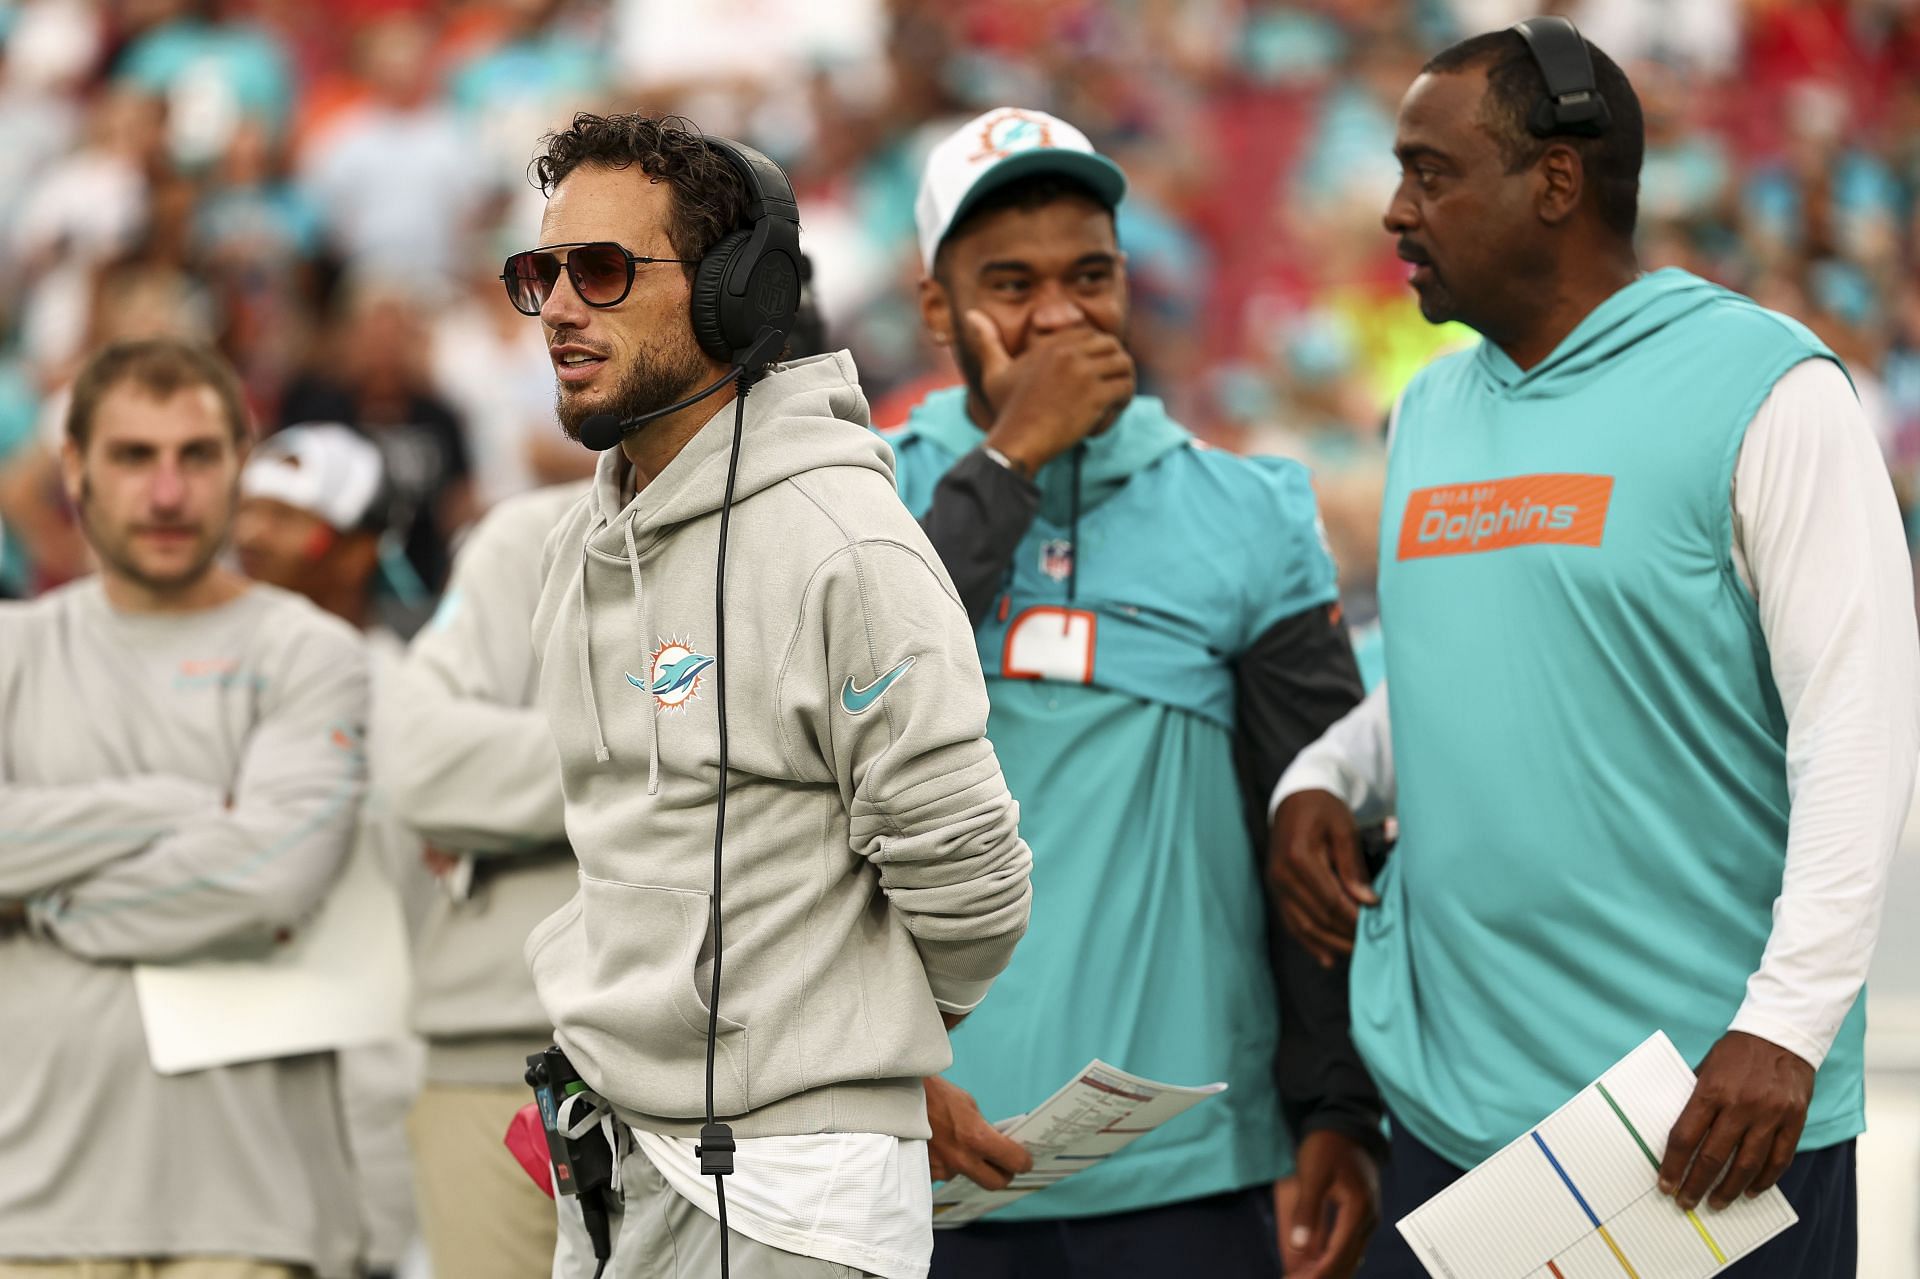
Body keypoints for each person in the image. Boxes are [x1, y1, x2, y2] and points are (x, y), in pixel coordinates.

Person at [1269, 22, 1920, 1279]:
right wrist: (1327, 777)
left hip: (1702, 1122)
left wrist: (1783, 1027)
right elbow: (1483, 665)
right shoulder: (1430, 408)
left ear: (1556, 182)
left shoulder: (1768, 388)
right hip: (1452, 1119)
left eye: (1432, 171)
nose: (1396, 211)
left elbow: (1862, 724)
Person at [515, 113, 1034, 1279]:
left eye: (599, 271)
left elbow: (976, 883)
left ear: (734, 296)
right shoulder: (577, 544)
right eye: (538, 272)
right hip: (616, 1173)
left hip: (796, 1202)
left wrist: (851, 1037)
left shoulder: (843, 543)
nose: (556, 307)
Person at [887, 107, 1384, 1279]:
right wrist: (1009, 460)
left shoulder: (1252, 509)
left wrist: (1336, 1110)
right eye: (1011, 283)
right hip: (919, 1153)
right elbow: (861, 700)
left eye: (1090, 276)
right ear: (934, 311)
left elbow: (1314, 831)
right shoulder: (867, 498)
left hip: (1184, 1164)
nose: (1059, 315)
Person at [0, 337, 369, 1278]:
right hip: (26, 1204)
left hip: (251, 1212)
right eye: (132, 456)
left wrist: (44, 899)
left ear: (238, 464)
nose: (167, 494)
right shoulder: (14, 650)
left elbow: (267, 878)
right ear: (74, 465)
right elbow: (240, 854)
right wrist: (169, 806)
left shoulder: (308, 651)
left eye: (195, 456)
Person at [372, 479, 589, 1279]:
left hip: (723, 1073)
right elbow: (422, 763)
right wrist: (676, 745)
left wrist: (503, 802)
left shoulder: (806, 519)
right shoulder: (530, 532)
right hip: (495, 1056)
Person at [234, 423, 425, 1279]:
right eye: (248, 510)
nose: (252, 535)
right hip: (236, 1101)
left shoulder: (408, 700)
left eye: (286, 515)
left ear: (356, 551)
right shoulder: (208, 685)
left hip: (374, 1090)